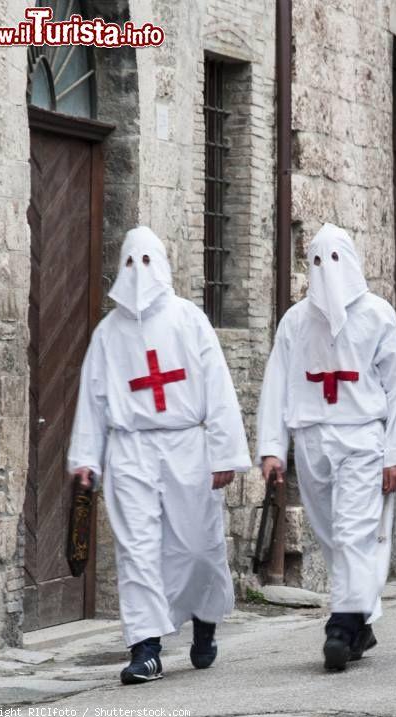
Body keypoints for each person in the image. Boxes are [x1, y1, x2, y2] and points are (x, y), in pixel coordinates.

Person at [68, 227, 251, 685]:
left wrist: (224, 452)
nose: (139, 272)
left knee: (196, 546)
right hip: (129, 449)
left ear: (163, 263)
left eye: (147, 260)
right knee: (138, 550)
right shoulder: (108, 333)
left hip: (187, 445)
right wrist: (88, 458)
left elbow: (218, 387)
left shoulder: (189, 319)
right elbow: (93, 400)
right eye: (131, 262)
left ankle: (205, 619)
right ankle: (145, 647)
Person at [257, 223, 396, 672]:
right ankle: (361, 622)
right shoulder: (295, 322)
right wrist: (273, 448)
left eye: (335, 259)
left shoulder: (377, 315)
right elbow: (276, 385)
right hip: (312, 439)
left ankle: (341, 625)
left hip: (361, 437)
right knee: (332, 534)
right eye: (317, 260)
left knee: (354, 532)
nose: (326, 270)